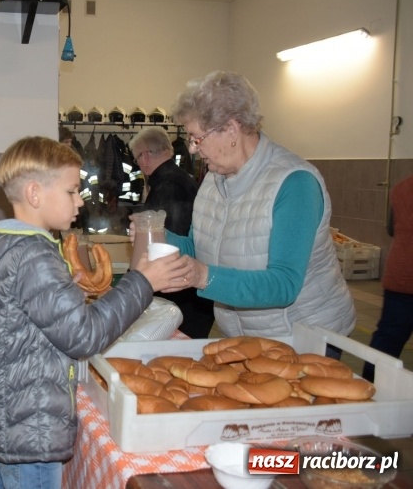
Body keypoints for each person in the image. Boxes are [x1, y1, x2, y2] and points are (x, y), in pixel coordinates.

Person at [0, 136, 191, 489]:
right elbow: (84, 336)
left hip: (7, 418)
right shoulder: (35, 256)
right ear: (35, 194)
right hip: (32, 429)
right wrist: (143, 282)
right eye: (71, 191)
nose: (80, 200)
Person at [168, 71, 355, 343]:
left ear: (231, 130)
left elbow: (284, 285)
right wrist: (157, 236)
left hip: (303, 337)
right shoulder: (212, 181)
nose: (193, 149)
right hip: (244, 335)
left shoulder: (294, 184)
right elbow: (201, 249)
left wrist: (202, 276)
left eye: (197, 138)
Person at [129, 127, 214, 339]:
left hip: (183, 299)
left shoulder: (167, 185)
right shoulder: (181, 178)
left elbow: (161, 249)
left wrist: (135, 287)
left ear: (145, 156)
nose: (138, 165)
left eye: (137, 158)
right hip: (193, 294)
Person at [362, 174, 413, 382]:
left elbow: (393, 229)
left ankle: (369, 387)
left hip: (401, 273)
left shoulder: (403, 187)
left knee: (387, 338)